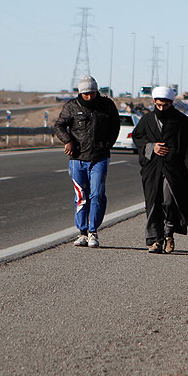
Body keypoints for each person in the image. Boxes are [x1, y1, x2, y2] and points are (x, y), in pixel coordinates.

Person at [131, 86, 188, 253]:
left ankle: (169, 233)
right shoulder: (147, 120)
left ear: (172, 103)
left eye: (165, 105)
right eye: (159, 105)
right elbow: (137, 137)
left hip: (174, 169)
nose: (162, 109)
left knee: (170, 202)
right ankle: (156, 240)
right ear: (154, 103)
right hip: (152, 169)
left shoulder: (183, 123)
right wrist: (151, 147)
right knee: (153, 203)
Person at [54, 75, 120, 248]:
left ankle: (93, 231)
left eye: (92, 93)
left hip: (99, 157)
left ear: (96, 90)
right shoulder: (71, 107)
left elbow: (115, 126)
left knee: (97, 194)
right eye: (85, 94)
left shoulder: (107, 105)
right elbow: (59, 126)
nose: (89, 97)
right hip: (77, 159)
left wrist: (107, 145)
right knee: (81, 196)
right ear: (80, 93)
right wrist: (68, 140)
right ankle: (82, 232)